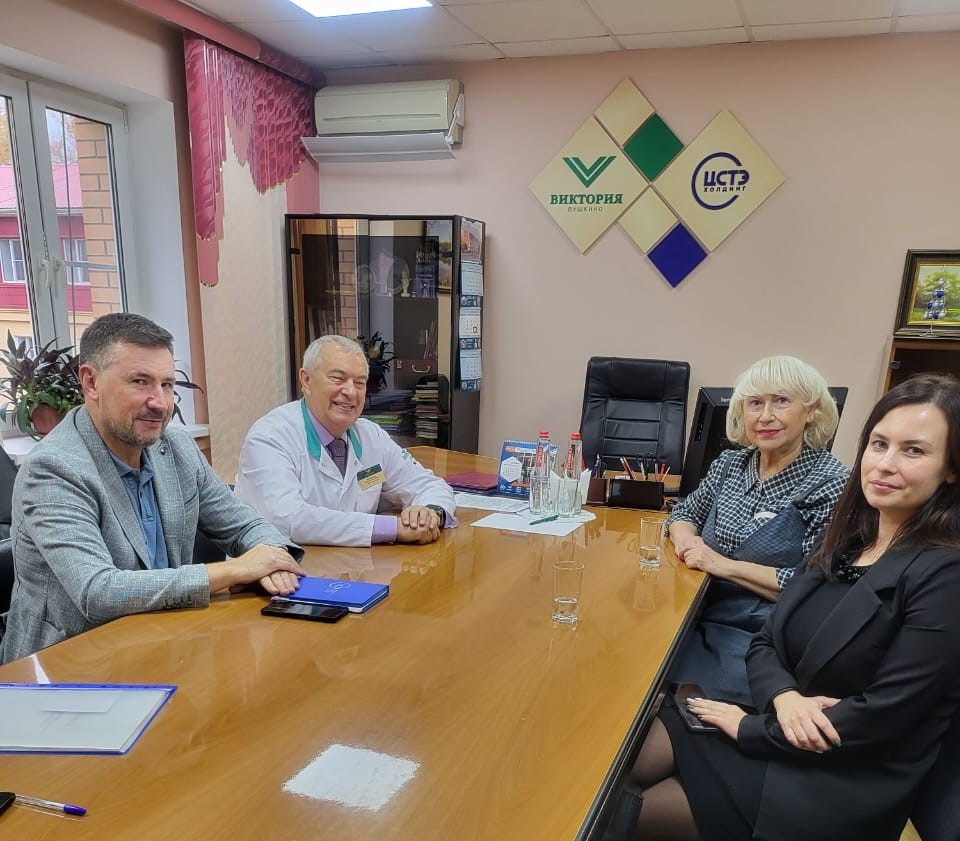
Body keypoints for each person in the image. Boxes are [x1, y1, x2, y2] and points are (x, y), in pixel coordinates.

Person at [630, 373, 960, 841]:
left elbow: (883, 718)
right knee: (622, 761)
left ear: (951, 469)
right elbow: (767, 641)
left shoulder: (945, 574)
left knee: (624, 813)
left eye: (914, 451)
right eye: (879, 444)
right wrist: (783, 698)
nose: (885, 465)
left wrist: (750, 729)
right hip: (778, 723)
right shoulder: (849, 540)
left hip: (836, 777)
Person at [0, 313, 304, 664]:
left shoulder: (175, 447)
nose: (160, 402)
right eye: (140, 382)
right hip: (69, 665)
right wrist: (234, 570)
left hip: (165, 640)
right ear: (91, 382)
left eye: (167, 385)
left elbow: (244, 524)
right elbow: (97, 592)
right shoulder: (54, 469)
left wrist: (274, 562)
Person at [665, 356, 848, 703]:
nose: (765, 416)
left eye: (781, 401)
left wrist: (720, 564)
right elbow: (685, 512)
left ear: (811, 411)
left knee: (667, 709)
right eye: (754, 403)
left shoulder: (831, 483)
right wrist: (687, 542)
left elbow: (814, 588)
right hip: (692, 614)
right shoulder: (731, 464)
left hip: (759, 640)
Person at [235, 335, 456, 547]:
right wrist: (392, 528)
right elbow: (287, 519)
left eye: (359, 383)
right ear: (306, 380)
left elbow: (429, 485)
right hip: (280, 566)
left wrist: (429, 513)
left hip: (352, 565)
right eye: (338, 379)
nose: (351, 392)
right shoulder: (270, 437)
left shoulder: (371, 436)